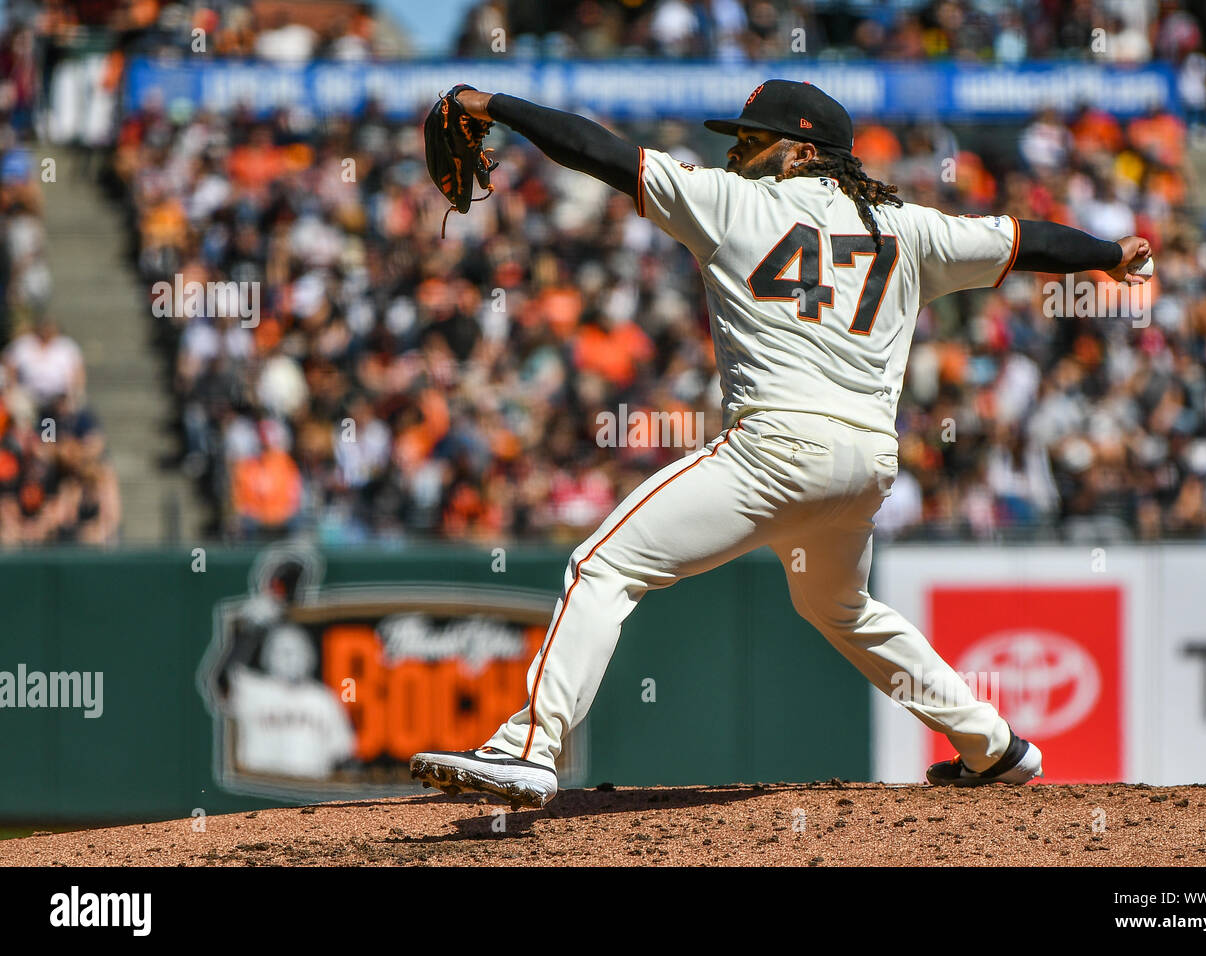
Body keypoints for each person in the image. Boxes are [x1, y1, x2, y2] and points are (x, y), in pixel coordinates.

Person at [411, 80, 1153, 807]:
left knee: (602, 565)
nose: (736, 152)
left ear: (801, 154)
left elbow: (599, 152)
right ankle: (994, 746)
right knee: (841, 607)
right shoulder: (912, 227)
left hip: (776, 448)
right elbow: (1027, 241)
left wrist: (492, 105)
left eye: (752, 140)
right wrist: (1110, 252)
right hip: (865, 465)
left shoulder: (730, 202)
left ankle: (530, 749)